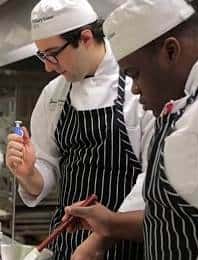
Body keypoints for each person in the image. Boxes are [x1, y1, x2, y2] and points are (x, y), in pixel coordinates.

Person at [5, 0, 153, 259]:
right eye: (42, 56)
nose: (48, 66)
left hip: (125, 247)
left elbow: (151, 179)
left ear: (85, 38)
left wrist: (102, 237)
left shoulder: (136, 85)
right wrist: (28, 173)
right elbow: (46, 167)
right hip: (64, 244)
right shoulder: (54, 94)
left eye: (52, 54)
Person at [63, 0, 198, 259]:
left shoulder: (194, 125)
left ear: (171, 51)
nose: (135, 89)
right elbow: (169, 213)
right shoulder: (177, 113)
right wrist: (110, 224)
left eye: (135, 74)